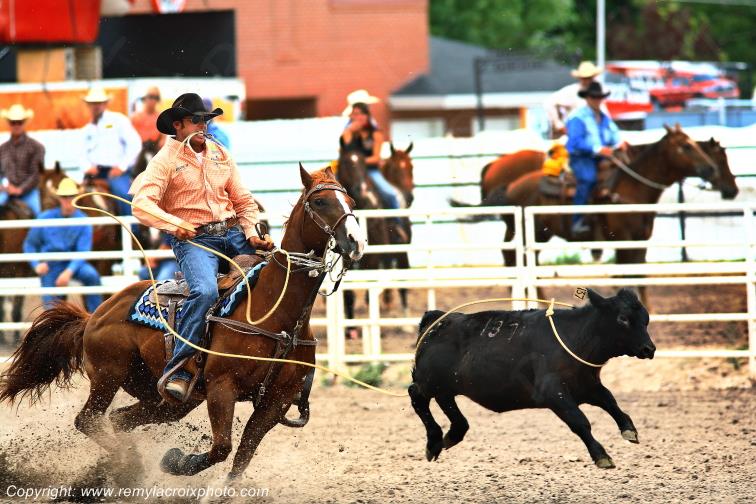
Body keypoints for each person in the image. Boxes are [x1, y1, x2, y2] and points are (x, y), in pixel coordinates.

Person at [129, 92, 273, 402]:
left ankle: (277, 356)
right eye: (196, 121)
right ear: (178, 125)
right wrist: (174, 224)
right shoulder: (164, 160)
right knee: (205, 291)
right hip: (195, 241)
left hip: (232, 232)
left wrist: (250, 232)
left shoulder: (220, 153)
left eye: (205, 120)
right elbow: (141, 204)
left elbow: (243, 200)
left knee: (274, 272)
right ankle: (181, 367)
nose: (202, 126)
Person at [23, 178, 102, 313]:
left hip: (74, 264)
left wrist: (68, 271)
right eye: (64, 197)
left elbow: (83, 251)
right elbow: (29, 244)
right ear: (59, 199)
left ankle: (95, 317)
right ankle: (53, 323)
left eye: (71, 196)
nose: (68, 201)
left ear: (76, 197)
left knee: (92, 276)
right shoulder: (45, 218)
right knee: (51, 301)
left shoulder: (83, 221)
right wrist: (36, 264)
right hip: (51, 264)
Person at [339, 101, 407, 241]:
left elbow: (376, 158)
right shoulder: (348, 131)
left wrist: (358, 161)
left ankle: (397, 225)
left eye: (359, 114)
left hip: (370, 171)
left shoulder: (375, 133)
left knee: (390, 194)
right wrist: (351, 131)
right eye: (354, 114)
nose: (356, 117)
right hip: (349, 171)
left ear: (366, 116)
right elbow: (343, 149)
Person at [565, 81, 625, 235]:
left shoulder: (604, 118)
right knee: (588, 179)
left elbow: (614, 135)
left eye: (599, 97)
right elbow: (574, 142)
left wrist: (619, 143)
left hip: (602, 157)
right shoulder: (577, 117)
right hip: (581, 157)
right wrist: (598, 149)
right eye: (594, 97)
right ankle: (577, 220)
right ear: (587, 98)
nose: (597, 100)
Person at [80, 86, 142, 216]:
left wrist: (121, 166)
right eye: (92, 103)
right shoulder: (86, 130)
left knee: (123, 196)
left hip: (116, 173)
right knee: (77, 199)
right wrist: (87, 167)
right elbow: (81, 153)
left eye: (99, 103)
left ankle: (133, 231)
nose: (95, 106)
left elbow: (135, 144)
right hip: (93, 174)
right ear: (88, 105)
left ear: (105, 104)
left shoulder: (118, 120)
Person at [0, 104, 45, 217]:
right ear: (9, 124)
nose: (16, 125)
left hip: (29, 192)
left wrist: (19, 190)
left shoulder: (36, 147)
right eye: (13, 122)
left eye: (19, 122)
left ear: (24, 123)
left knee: (38, 215)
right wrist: (4, 186)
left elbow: (36, 174)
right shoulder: (2, 149)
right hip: (6, 191)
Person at [544, 61, 604, 138]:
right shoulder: (571, 91)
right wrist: (557, 123)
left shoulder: (598, 90)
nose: (587, 80)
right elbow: (549, 102)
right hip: (574, 133)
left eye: (590, 77)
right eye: (585, 78)